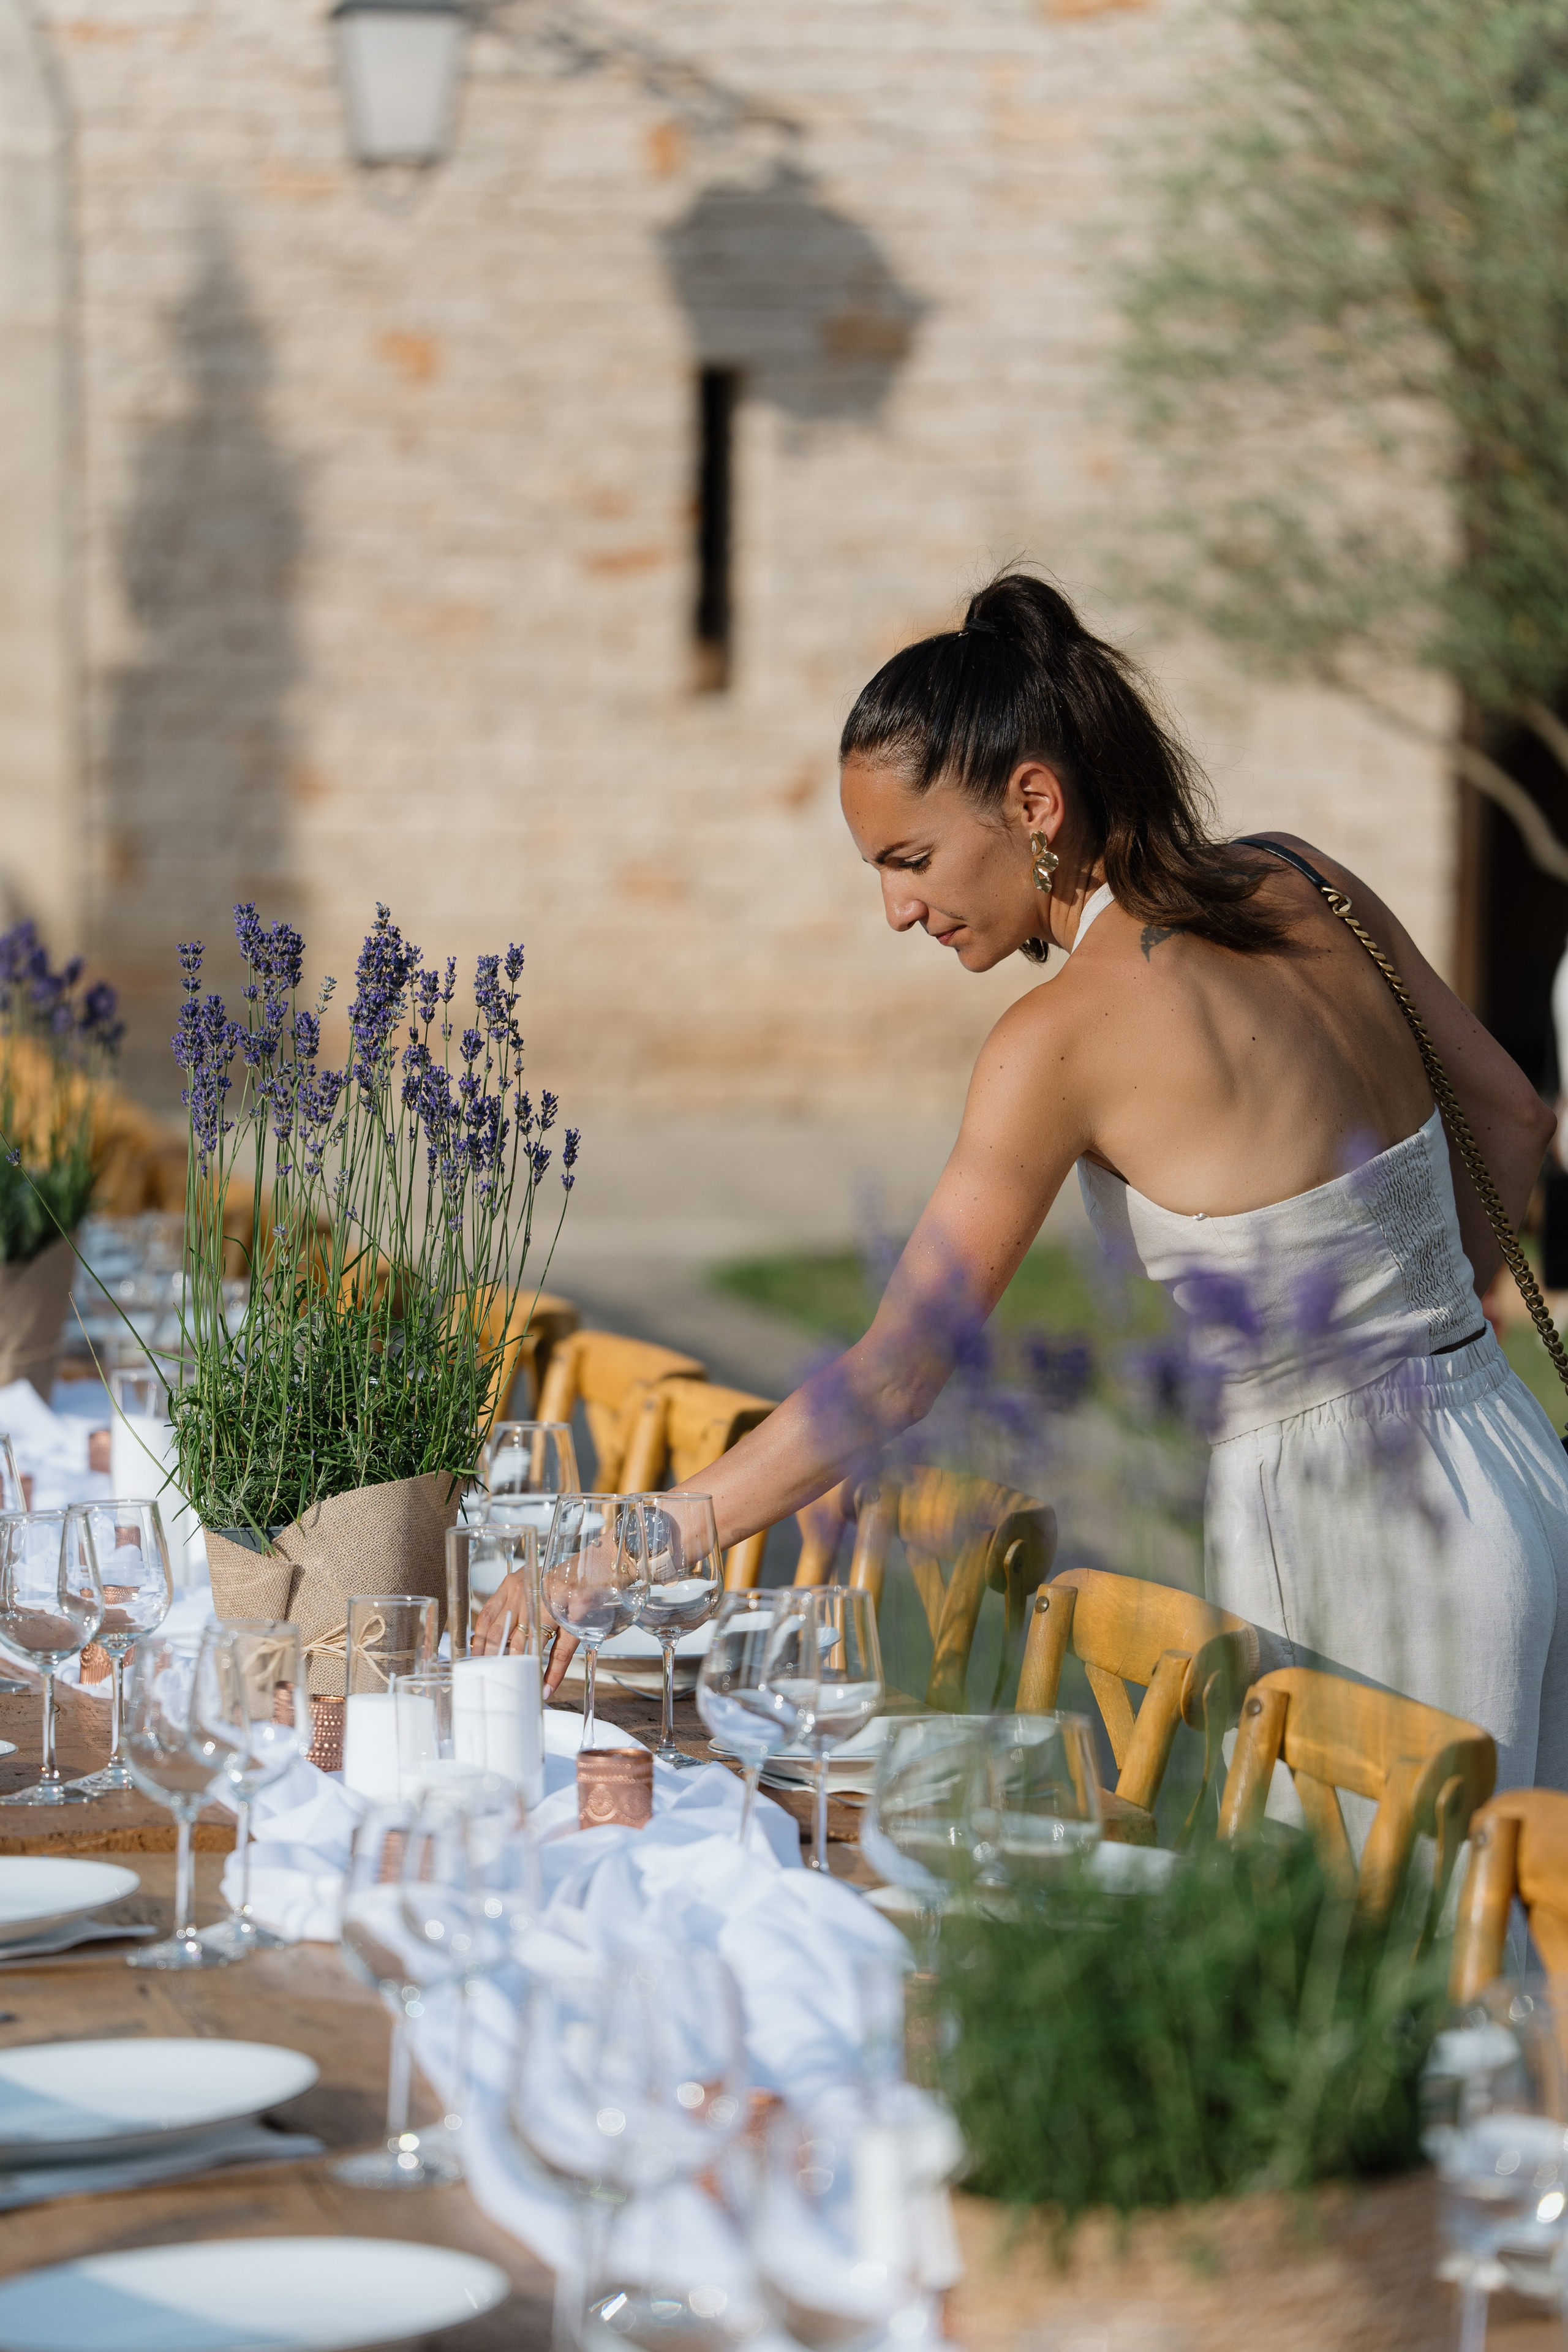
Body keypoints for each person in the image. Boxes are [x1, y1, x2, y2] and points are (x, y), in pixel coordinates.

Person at [481, 571, 1568, 1794]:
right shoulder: (1296, 875)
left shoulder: (1057, 1037)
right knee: (1521, 1944)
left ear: (1034, 800)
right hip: (1516, 1470)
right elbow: (1514, 1113)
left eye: (910, 857)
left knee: (1372, 1971)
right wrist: (1433, 1335)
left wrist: (629, 1548)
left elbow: (896, 1370)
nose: (897, 908)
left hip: (1353, 1535)